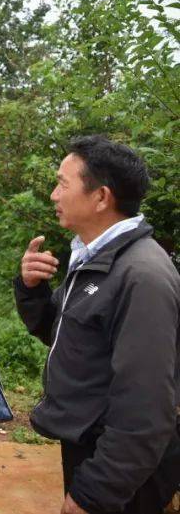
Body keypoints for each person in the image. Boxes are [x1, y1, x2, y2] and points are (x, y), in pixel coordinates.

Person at [15, 135, 180, 514]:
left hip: (121, 469)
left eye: (62, 183)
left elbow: (146, 408)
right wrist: (31, 289)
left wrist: (96, 492)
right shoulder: (97, 257)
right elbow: (62, 335)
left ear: (101, 197)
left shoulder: (141, 276)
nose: (54, 195)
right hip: (88, 442)